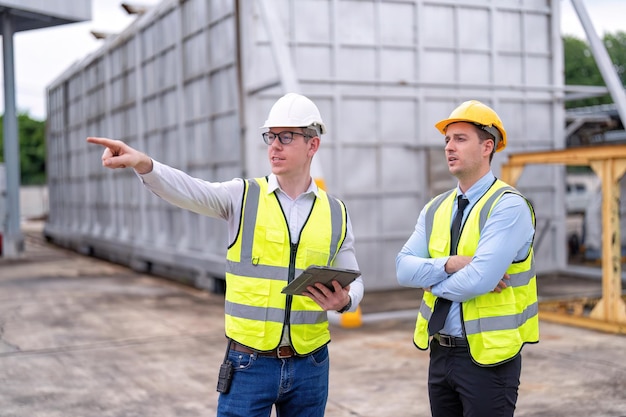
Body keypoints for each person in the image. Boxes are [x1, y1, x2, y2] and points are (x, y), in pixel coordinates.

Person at [87, 92, 364, 417]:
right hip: (249, 363)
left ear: (312, 145)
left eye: (286, 137)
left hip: (311, 363)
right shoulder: (242, 196)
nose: (274, 145)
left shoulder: (335, 212)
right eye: (270, 136)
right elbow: (190, 190)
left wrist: (344, 302)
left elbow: (354, 281)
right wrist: (143, 164)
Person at [396, 100, 538, 417]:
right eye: (447, 139)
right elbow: (403, 270)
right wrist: (449, 265)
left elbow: (480, 280)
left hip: (488, 361)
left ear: (487, 146)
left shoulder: (508, 206)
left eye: (460, 138)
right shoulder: (435, 208)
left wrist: (431, 283)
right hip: (440, 354)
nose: (449, 147)